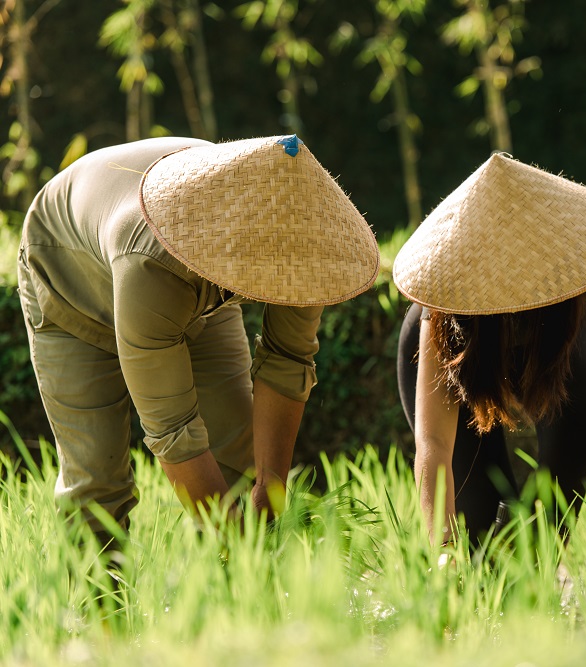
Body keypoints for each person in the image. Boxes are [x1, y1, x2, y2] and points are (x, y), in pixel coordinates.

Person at [16, 134, 379, 541]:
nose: (281, 272)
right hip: (67, 279)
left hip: (186, 288)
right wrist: (237, 547)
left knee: (238, 464)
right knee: (97, 481)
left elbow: (288, 359)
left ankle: (240, 602)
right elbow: (173, 430)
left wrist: (269, 489)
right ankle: (99, 603)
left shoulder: (301, 244)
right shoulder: (151, 266)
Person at [393, 153, 586, 544]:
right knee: (477, 540)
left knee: (543, 537)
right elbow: (435, 443)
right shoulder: (446, 306)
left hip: (560, 338)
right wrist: (442, 547)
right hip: (468, 344)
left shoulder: (576, 252)